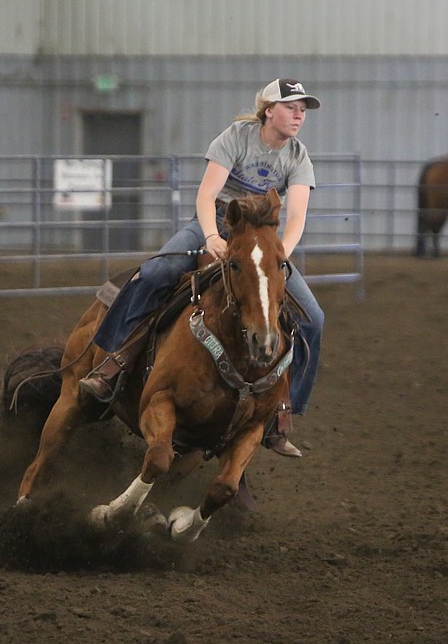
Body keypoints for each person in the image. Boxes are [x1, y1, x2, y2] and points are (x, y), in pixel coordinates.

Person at [77, 78, 326, 458]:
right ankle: (111, 365)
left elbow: (296, 218)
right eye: (292, 107)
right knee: (154, 274)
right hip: (216, 227)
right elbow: (208, 195)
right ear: (269, 110)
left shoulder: (297, 155)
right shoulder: (236, 138)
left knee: (313, 318)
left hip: (262, 244)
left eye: (303, 110)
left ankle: (281, 414)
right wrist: (211, 237)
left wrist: (279, 257)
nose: (298, 115)